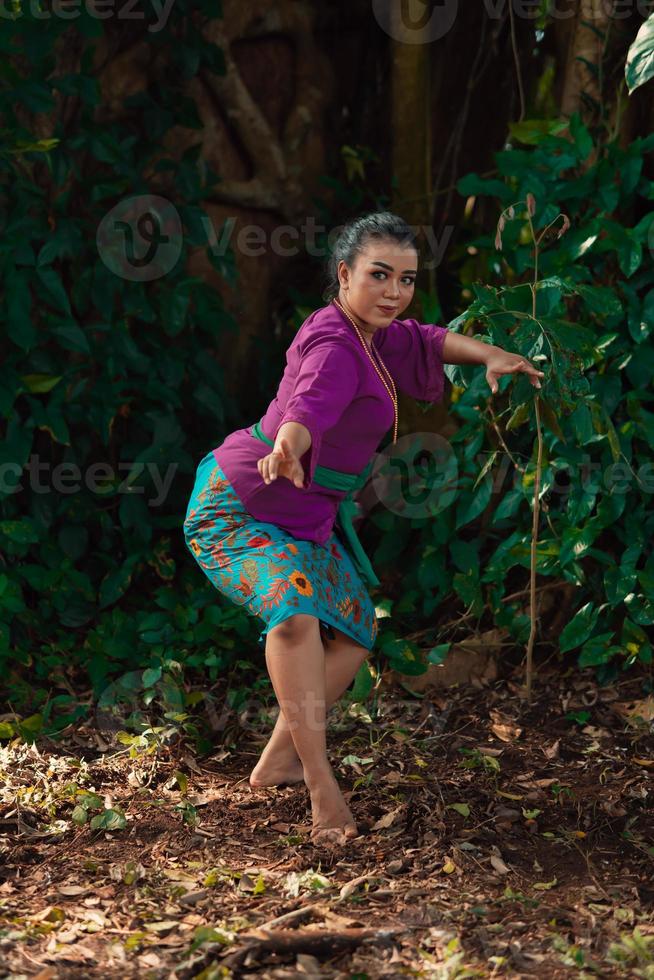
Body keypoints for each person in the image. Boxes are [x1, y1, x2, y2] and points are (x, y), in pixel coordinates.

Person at [183, 211, 545, 845]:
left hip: (303, 517)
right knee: (294, 616)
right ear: (344, 274)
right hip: (241, 503)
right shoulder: (333, 341)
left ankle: (276, 762)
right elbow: (309, 405)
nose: (394, 292)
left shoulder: (376, 336)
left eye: (405, 279)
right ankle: (321, 785)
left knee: (353, 630)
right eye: (379, 276)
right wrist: (291, 445)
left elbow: (429, 341)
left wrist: (491, 354)